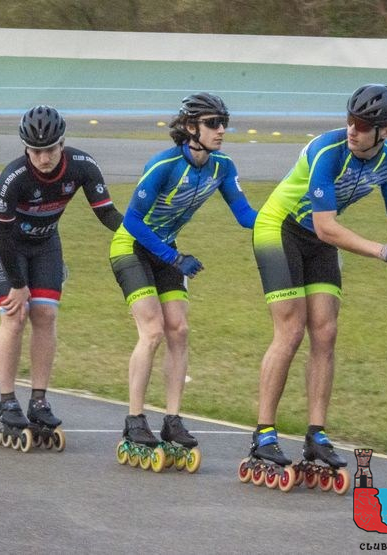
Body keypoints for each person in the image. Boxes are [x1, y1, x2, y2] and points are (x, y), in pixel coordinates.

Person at [245, 84, 387, 479]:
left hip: (320, 238)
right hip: (281, 228)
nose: (352, 129)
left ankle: (316, 434)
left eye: (363, 125)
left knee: (325, 332)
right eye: (350, 120)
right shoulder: (327, 149)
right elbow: (326, 226)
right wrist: (379, 251)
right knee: (291, 330)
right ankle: (264, 433)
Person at [111, 93, 256, 468]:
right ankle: (135, 418)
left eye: (223, 123)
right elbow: (132, 221)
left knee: (179, 329)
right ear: (190, 127)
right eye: (212, 123)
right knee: (153, 331)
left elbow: (245, 216)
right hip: (132, 247)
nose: (221, 130)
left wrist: (289, 220)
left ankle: (172, 420)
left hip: (166, 250)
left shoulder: (222, 167)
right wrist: (173, 258)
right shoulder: (164, 165)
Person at [0, 105, 123, 450]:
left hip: (45, 241)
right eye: (35, 151)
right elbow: (2, 236)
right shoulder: (14, 178)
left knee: (45, 315)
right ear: (25, 149)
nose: (43, 158)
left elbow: (106, 213)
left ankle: (39, 400)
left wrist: (142, 236)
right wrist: (18, 285)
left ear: (63, 144)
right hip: (6, 243)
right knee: (15, 316)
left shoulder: (83, 165)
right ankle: (7, 401)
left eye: (50, 149)